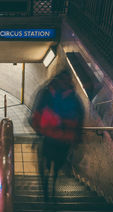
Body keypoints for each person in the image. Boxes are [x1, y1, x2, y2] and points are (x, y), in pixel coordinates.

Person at [30, 69, 85, 201]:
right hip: (54, 139)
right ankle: (48, 192)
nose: (65, 82)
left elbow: (35, 113)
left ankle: (49, 189)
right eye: (64, 80)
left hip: (56, 139)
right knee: (49, 166)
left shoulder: (47, 93)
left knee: (51, 166)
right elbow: (79, 118)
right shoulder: (71, 97)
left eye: (67, 80)